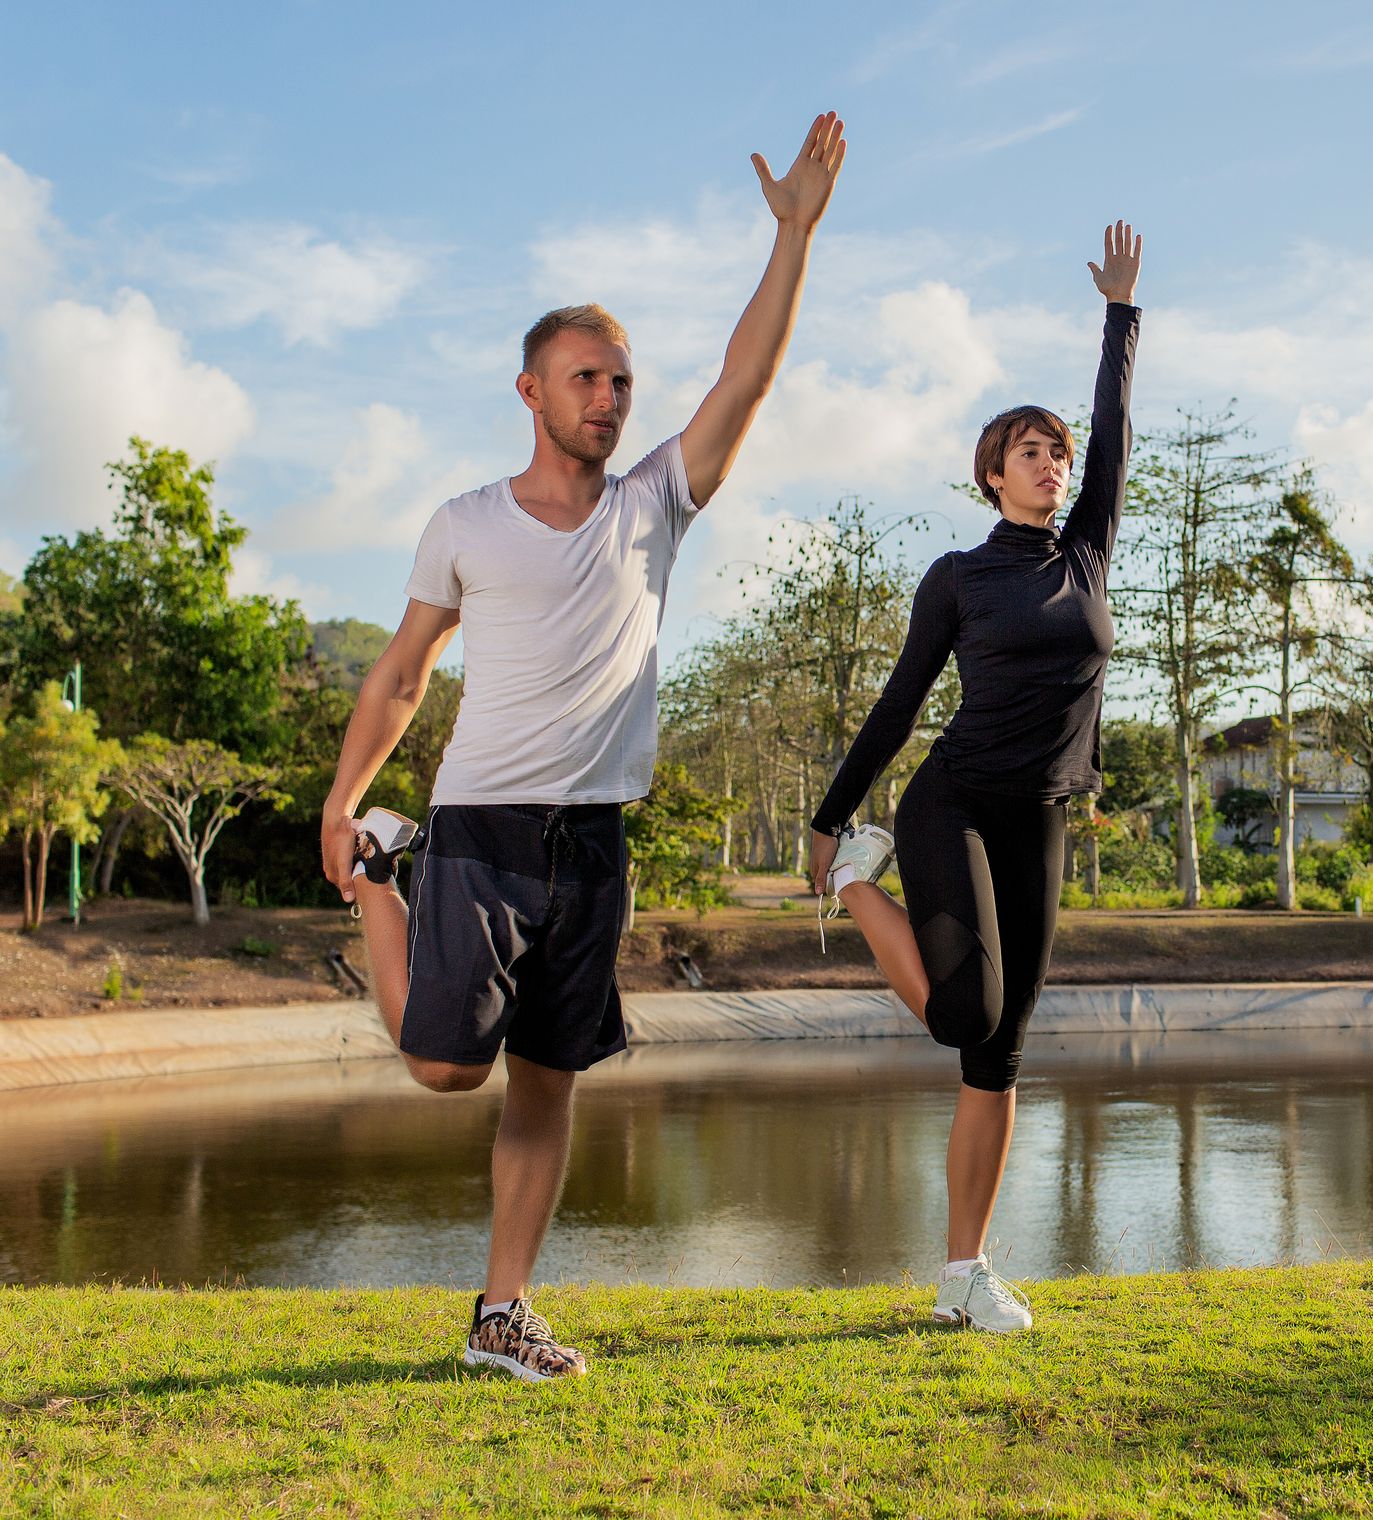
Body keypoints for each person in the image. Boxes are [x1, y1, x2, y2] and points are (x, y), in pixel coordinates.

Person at [319, 113, 848, 1381]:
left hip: (594, 840)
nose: (607, 400)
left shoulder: (653, 501)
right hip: (483, 827)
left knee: (548, 1078)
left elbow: (747, 380)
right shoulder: (464, 522)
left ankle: (501, 1312)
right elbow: (404, 672)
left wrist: (792, 236)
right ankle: (380, 884)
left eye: (620, 384)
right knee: (444, 1066)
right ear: (532, 390)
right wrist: (345, 802)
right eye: (585, 379)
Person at [809, 221, 1142, 1334]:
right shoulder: (956, 577)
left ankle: (963, 1274)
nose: (1052, 463)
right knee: (968, 1015)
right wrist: (832, 818)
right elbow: (900, 705)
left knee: (999, 1056)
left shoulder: (1087, 551)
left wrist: (1120, 316)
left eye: (1058, 451)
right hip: (951, 802)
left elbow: (1117, 438)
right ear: (993, 475)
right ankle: (859, 883)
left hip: (1040, 815)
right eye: (1030, 451)